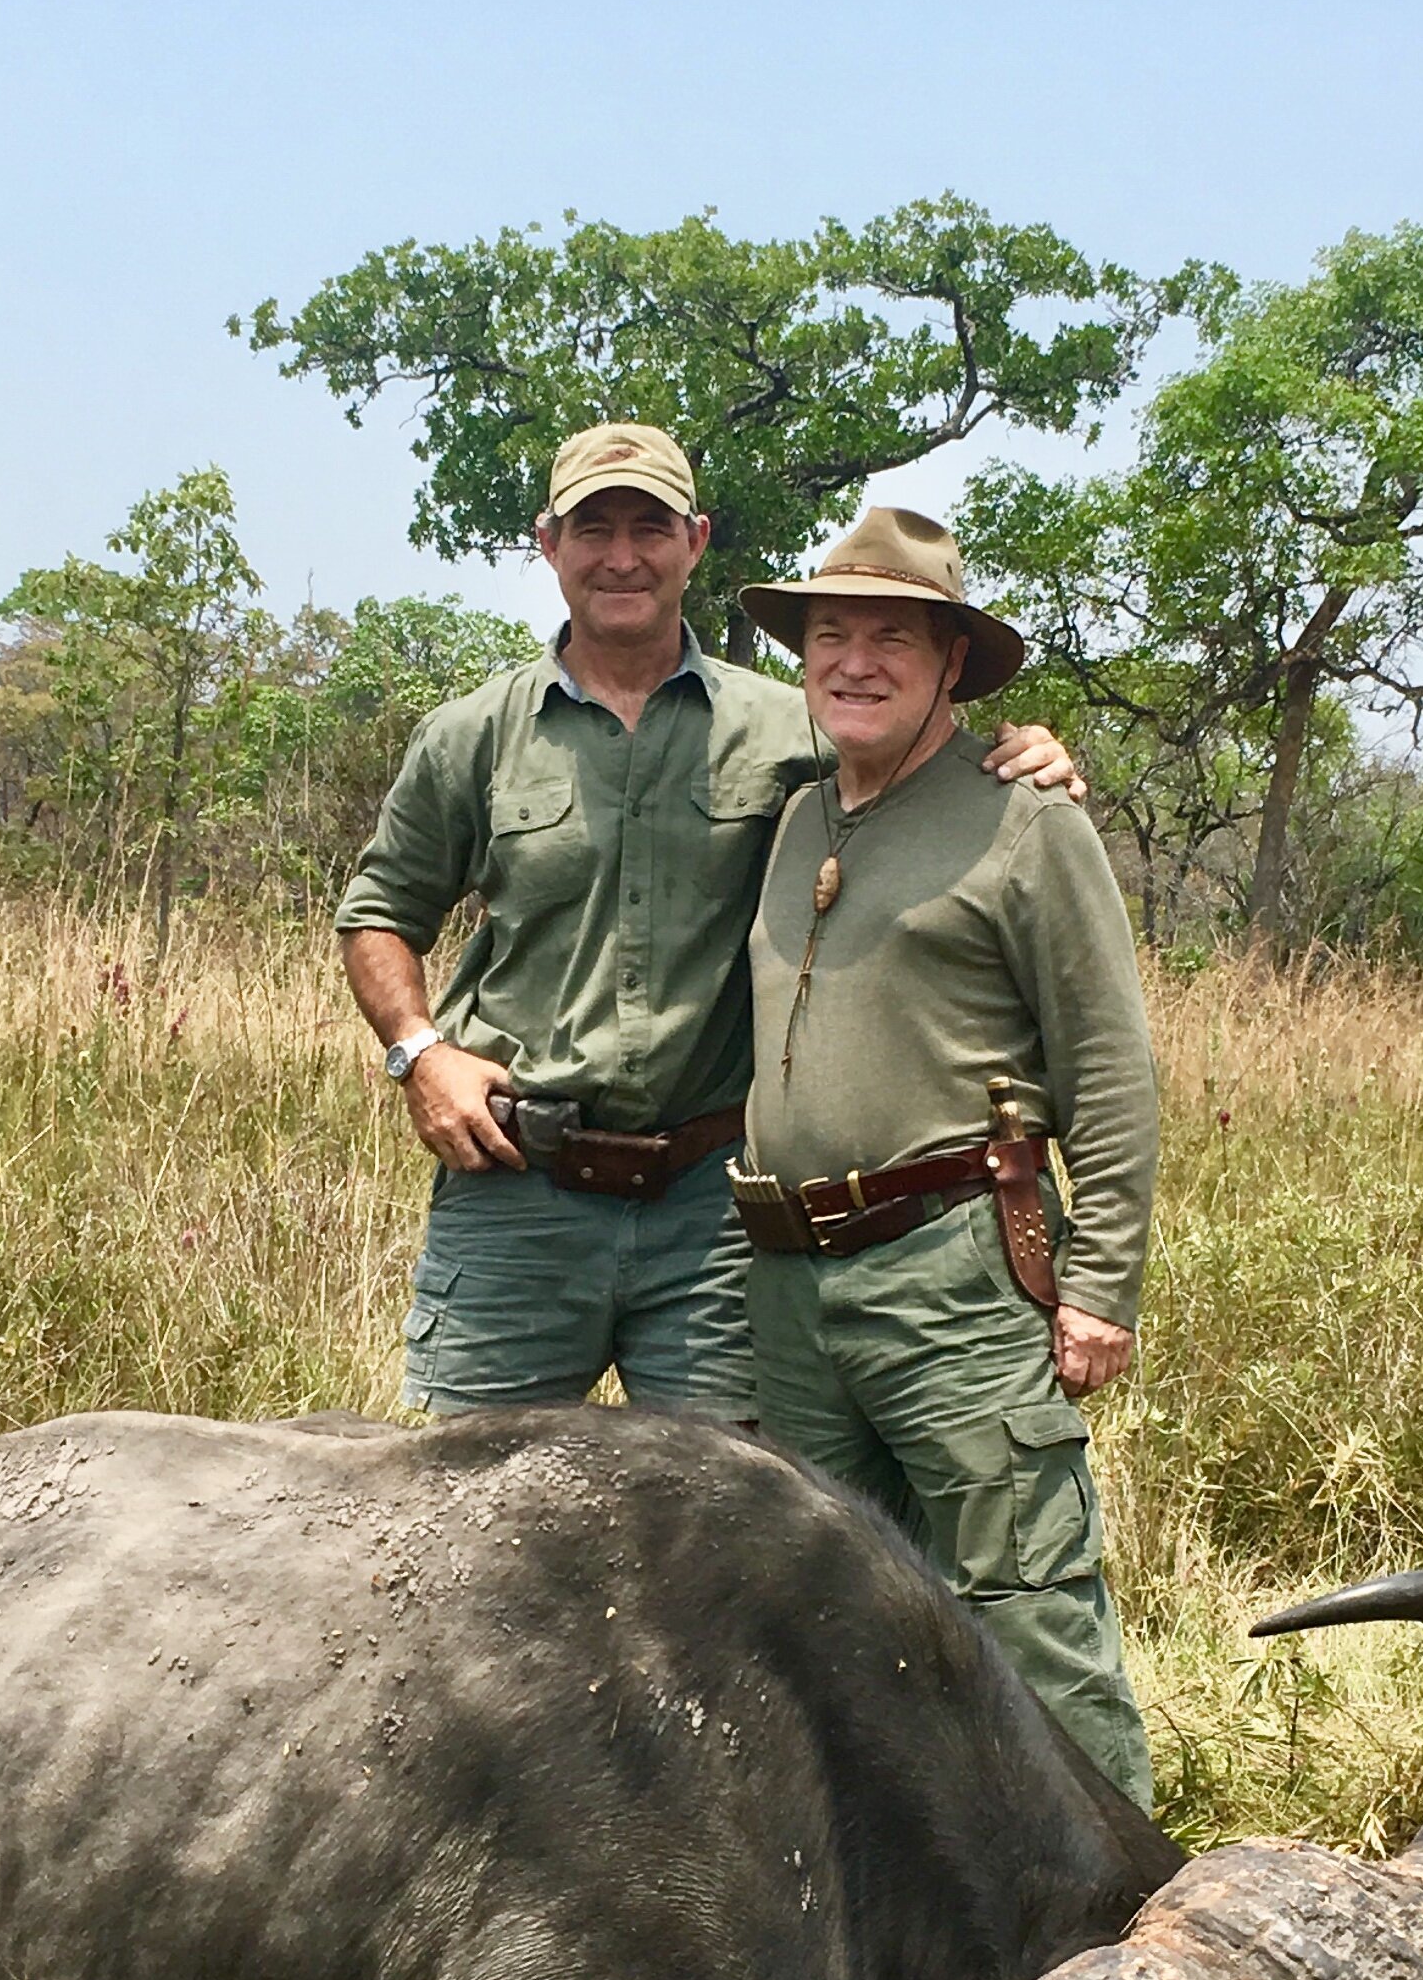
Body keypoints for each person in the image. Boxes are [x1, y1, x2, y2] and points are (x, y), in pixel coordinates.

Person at [337, 425, 1079, 1419]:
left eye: (649, 526)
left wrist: (1021, 751)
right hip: (516, 1191)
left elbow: (909, 755)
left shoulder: (791, 729)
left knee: (728, 1523)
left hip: (714, 1211)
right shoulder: (470, 734)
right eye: (591, 528)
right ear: (546, 543)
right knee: (466, 1519)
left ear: (696, 540)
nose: (621, 555)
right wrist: (419, 1054)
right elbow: (379, 912)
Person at [730, 505, 1159, 1806]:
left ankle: (1119, 1927)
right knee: (824, 1615)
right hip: (788, 1287)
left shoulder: (1027, 823)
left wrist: (1099, 1283)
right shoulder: (798, 815)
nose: (853, 659)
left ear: (950, 666)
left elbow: (1107, 1063)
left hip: (953, 1277)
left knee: (1025, 1611)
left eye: (889, 638)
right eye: (829, 633)